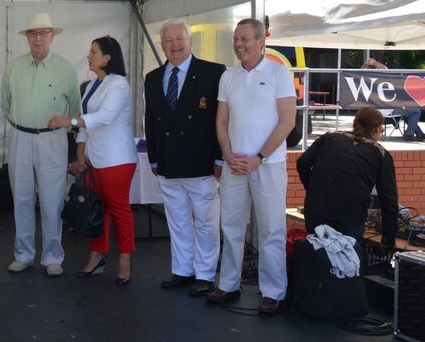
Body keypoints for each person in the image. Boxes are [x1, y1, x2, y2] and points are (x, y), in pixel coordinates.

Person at [208, 18, 296, 315]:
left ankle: (273, 292)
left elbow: (288, 121)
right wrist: (228, 153)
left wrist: (259, 156)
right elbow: (221, 122)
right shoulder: (228, 77)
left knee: (271, 229)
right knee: (231, 226)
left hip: (267, 164)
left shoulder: (278, 72)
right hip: (235, 164)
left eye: (244, 39)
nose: (238, 44)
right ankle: (229, 285)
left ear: (261, 41)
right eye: (236, 39)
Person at [143, 20, 225, 297]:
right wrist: (153, 159)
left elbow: (221, 120)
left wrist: (219, 158)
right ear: (162, 44)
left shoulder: (213, 73)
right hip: (168, 163)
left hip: (202, 162)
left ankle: (204, 274)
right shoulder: (153, 78)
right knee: (177, 220)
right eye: (168, 40)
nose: (174, 45)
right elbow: (151, 120)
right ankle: (182, 270)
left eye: (180, 39)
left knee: (205, 222)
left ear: (190, 41)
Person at [50, 36, 137, 285]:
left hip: (117, 160)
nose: (89, 56)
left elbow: (105, 117)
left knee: (119, 212)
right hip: (94, 159)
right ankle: (96, 258)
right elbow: (87, 119)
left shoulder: (119, 85)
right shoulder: (91, 86)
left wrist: (69, 122)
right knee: (96, 209)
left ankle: (124, 261)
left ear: (107, 58)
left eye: (94, 51)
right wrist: (80, 148)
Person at [1, 13, 79, 276]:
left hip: (51, 138)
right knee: (21, 197)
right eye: (33, 34)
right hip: (20, 137)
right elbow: (6, 104)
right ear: (27, 37)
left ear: (52, 36)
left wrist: (59, 126)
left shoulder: (65, 68)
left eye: (43, 33)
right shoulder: (14, 67)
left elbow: (75, 106)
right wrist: (24, 122)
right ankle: (23, 254)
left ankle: (52, 256)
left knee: (52, 199)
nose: (38, 38)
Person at [296, 106, 398, 244]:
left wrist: (313, 188)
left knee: (318, 258)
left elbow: (303, 162)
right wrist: (388, 239)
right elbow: (389, 199)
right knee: (346, 260)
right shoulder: (380, 153)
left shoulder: (329, 137)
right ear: (377, 128)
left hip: (318, 209)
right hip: (350, 215)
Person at [362, 58, 425, 141]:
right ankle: (409, 134)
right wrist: (375, 63)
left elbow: (362, 71)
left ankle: (419, 133)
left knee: (408, 112)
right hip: (387, 111)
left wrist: (366, 65)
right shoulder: (382, 82)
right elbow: (385, 69)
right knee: (415, 111)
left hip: (375, 112)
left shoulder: (364, 83)